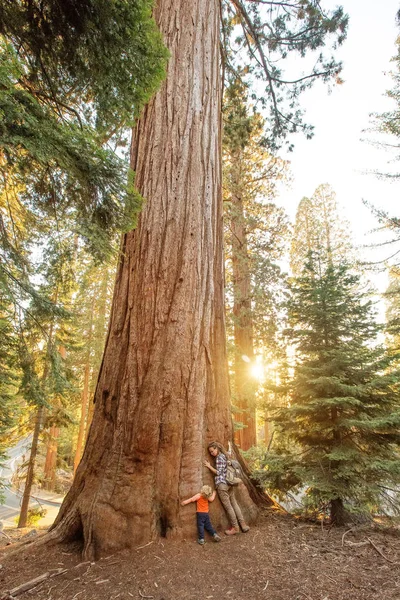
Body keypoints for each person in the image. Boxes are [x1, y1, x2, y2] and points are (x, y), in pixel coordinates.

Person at [204, 441, 250, 536]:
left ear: (217, 448)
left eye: (212, 451)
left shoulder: (219, 458)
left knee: (229, 507)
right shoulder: (225, 455)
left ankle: (235, 528)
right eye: (210, 452)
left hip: (222, 485)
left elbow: (219, 473)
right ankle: (243, 525)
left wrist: (209, 466)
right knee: (234, 504)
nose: (212, 453)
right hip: (230, 483)